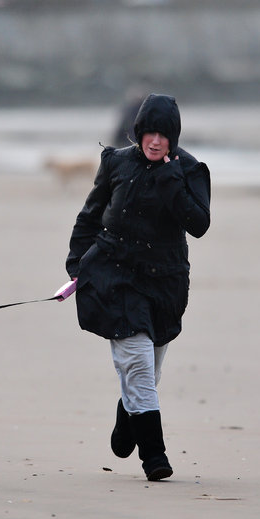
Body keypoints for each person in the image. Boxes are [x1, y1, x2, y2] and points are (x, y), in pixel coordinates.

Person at [64, 93, 211, 481]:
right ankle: (155, 457)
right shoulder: (116, 162)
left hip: (165, 280)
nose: (155, 140)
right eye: (149, 132)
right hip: (115, 275)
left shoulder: (190, 170)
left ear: (173, 137)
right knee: (140, 366)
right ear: (139, 132)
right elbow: (90, 216)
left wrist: (170, 181)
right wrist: (78, 264)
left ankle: (128, 415)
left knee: (150, 368)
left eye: (164, 134)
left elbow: (199, 224)